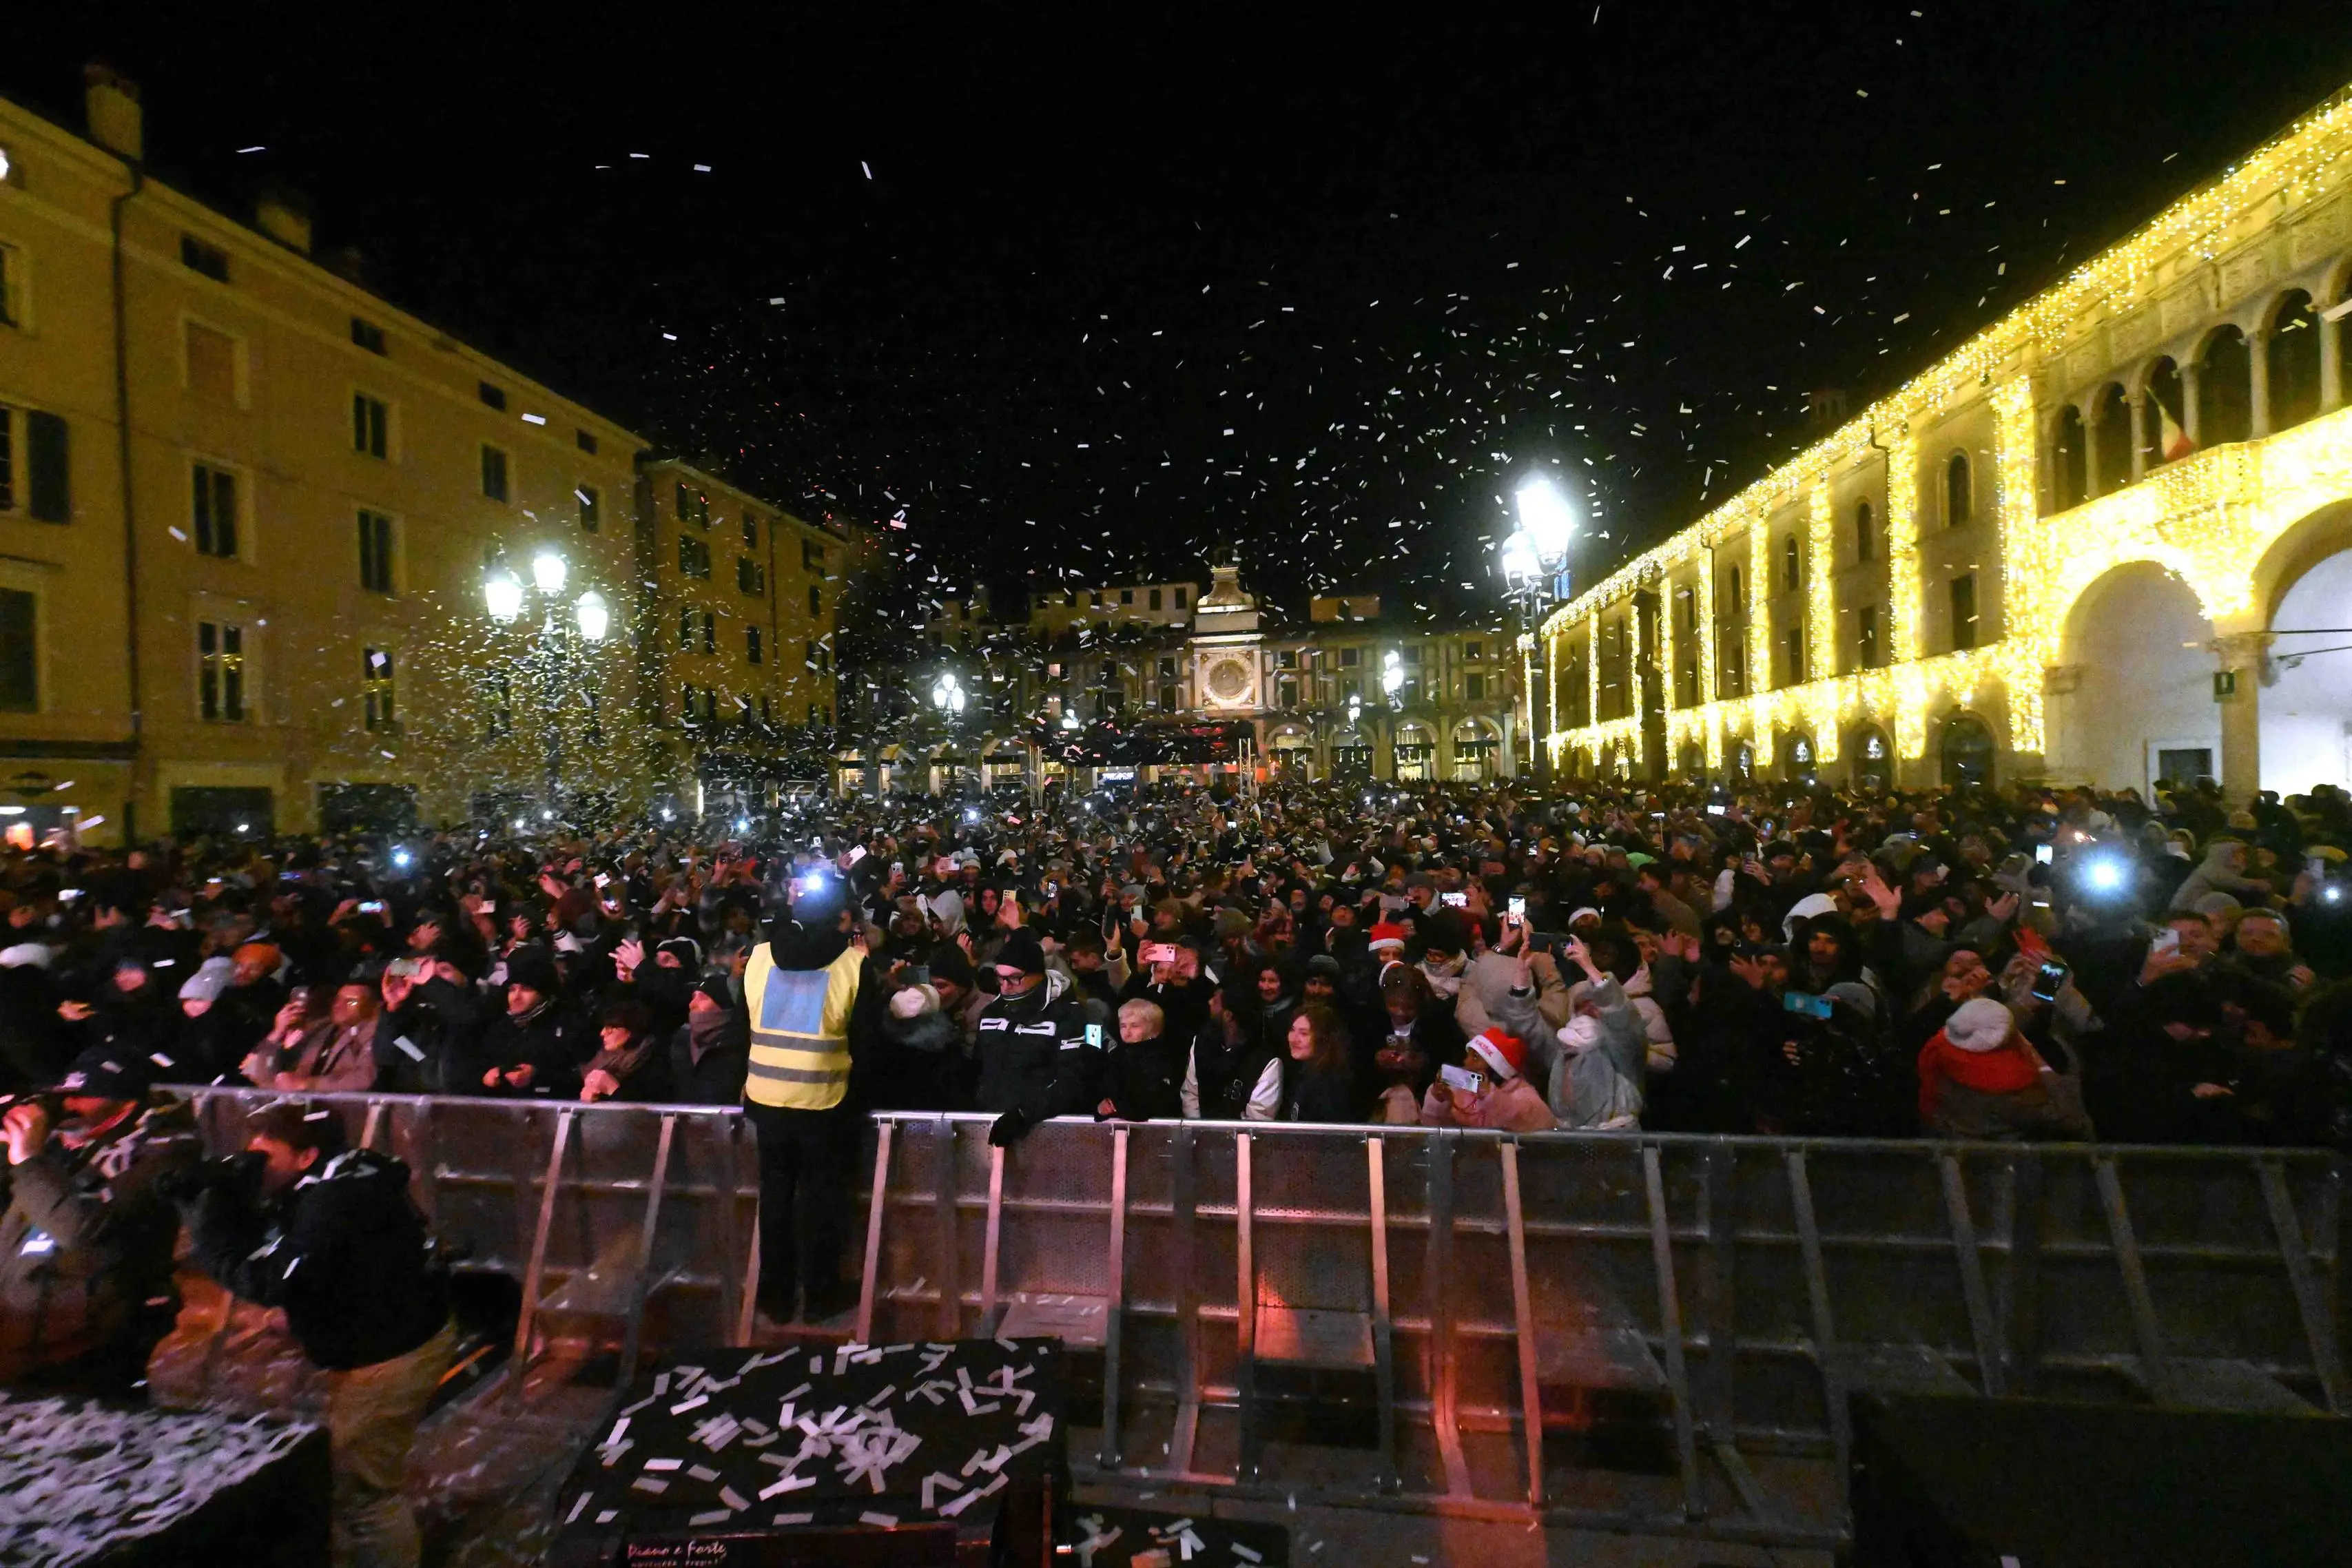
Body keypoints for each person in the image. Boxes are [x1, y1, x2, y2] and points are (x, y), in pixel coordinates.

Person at [176, 1100, 455, 1568]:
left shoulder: (333, 1200)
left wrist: (211, 1232)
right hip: (386, 1337)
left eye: (265, 1155)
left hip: (387, 1358)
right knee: (352, 1479)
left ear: (306, 1157)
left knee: (362, 1491)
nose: (254, 1165)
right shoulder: (348, 1175)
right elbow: (334, 1262)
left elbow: (270, 1278)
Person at [0, 1046, 198, 1399]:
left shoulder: (165, 1152)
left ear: (125, 1101)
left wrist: (29, 1160)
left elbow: (82, 1229)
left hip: (87, 1338)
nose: (70, 1106)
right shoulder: (67, 1143)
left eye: (83, 1096)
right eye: (66, 1095)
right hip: (24, 1327)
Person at [741, 867, 877, 1325]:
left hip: (765, 1100)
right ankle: (820, 1294)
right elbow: (868, 1044)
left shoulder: (759, 957)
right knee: (821, 1203)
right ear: (842, 918)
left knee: (775, 1199)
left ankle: (775, 1296)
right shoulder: (853, 965)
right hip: (824, 1104)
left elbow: (748, 1020)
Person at [974, 927, 1100, 1144]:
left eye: (1014, 979)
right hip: (989, 1125)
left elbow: (1079, 1078)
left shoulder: (1076, 1014)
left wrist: (1024, 1113)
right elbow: (979, 1069)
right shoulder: (990, 1013)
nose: (1005, 987)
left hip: (1047, 1132)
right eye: (1000, 978)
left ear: (1037, 975)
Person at [1098, 997, 1184, 1120]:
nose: (1127, 1032)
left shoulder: (1159, 1058)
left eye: (1135, 1026)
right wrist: (1102, 1106)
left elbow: (1153, 1102)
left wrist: (1118, 1108)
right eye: (1123, 1026)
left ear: (1153, 1030)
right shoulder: (1116, 1055)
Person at [1278, 1003, 1358, 1123]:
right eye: (1292, 1030)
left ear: (1323, 1039)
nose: (1294, 1039)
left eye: (1304, 1033)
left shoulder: (1330, 1085)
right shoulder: (1303, 1073)